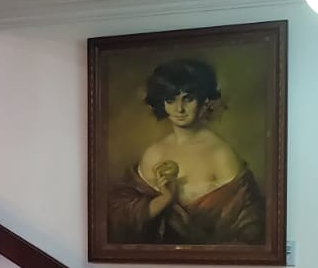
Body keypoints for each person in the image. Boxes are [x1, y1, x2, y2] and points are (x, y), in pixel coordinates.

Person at [107, 57, 264, 246]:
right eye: (170, 100)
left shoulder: (220, 154)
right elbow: (124, 218)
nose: (179, 109)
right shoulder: (154, 154)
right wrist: (165, 199)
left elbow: (249, 226)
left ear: (204, 100)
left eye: (188, 99)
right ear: (162, 103)